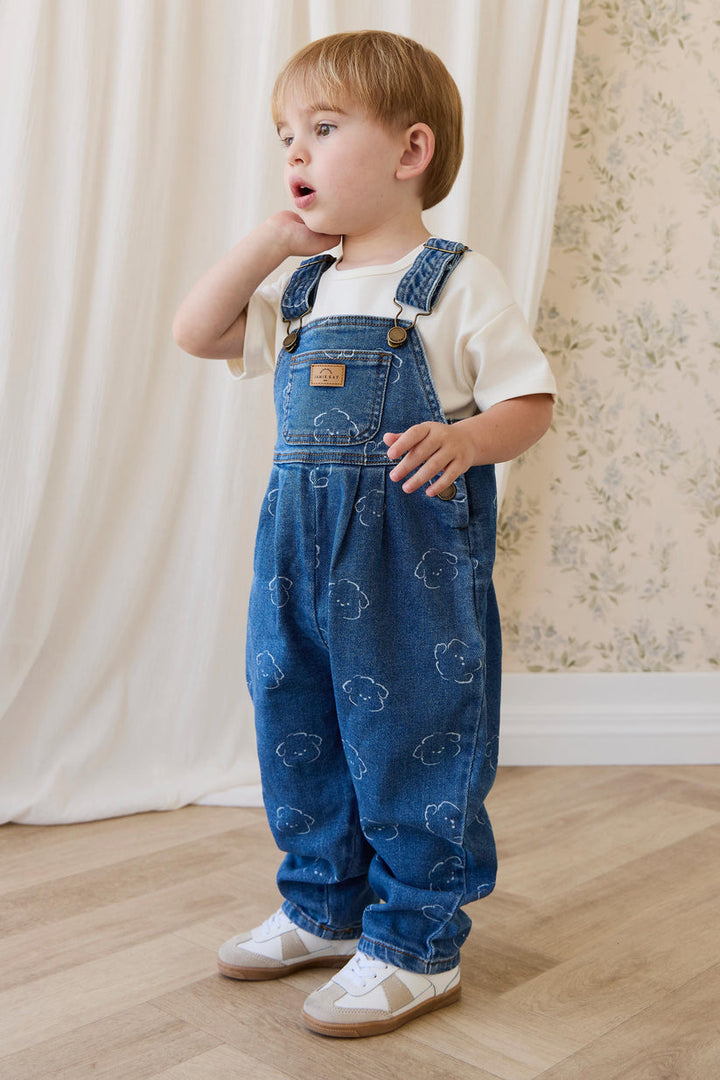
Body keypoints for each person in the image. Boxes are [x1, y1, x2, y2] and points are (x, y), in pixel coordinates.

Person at [173, 30, 556, 1038]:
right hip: (295, 553)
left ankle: (416, 942)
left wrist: (470, 438)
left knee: (412, 735)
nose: (295, 153)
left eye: (323, 129)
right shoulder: (300, 290)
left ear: (410, 150)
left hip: (410, 556)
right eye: (285, 136)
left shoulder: (452, 280)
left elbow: (531, 399)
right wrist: (266, 244)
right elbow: (196, 331)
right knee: (296, 722)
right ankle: (322, 906)